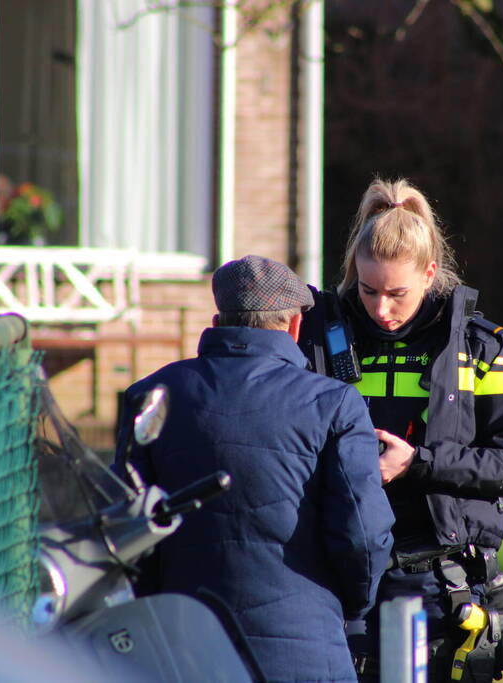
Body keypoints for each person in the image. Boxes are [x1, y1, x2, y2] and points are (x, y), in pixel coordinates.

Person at [298, 178, 503, 682]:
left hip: (442, 583)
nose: (380, 309)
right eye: (367, 290)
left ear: (430, 273)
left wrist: (417, 463)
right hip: (341, 581)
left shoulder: (480, 346)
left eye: (396, 293)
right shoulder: (319, 338)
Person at [115, 255, 395, 683]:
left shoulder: (150, 396)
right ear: (294, 326)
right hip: (305, 651)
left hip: (180, 649)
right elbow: (362, 536)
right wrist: (352, 605)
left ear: (218, 319)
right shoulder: (333, 403)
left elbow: (128, 532)